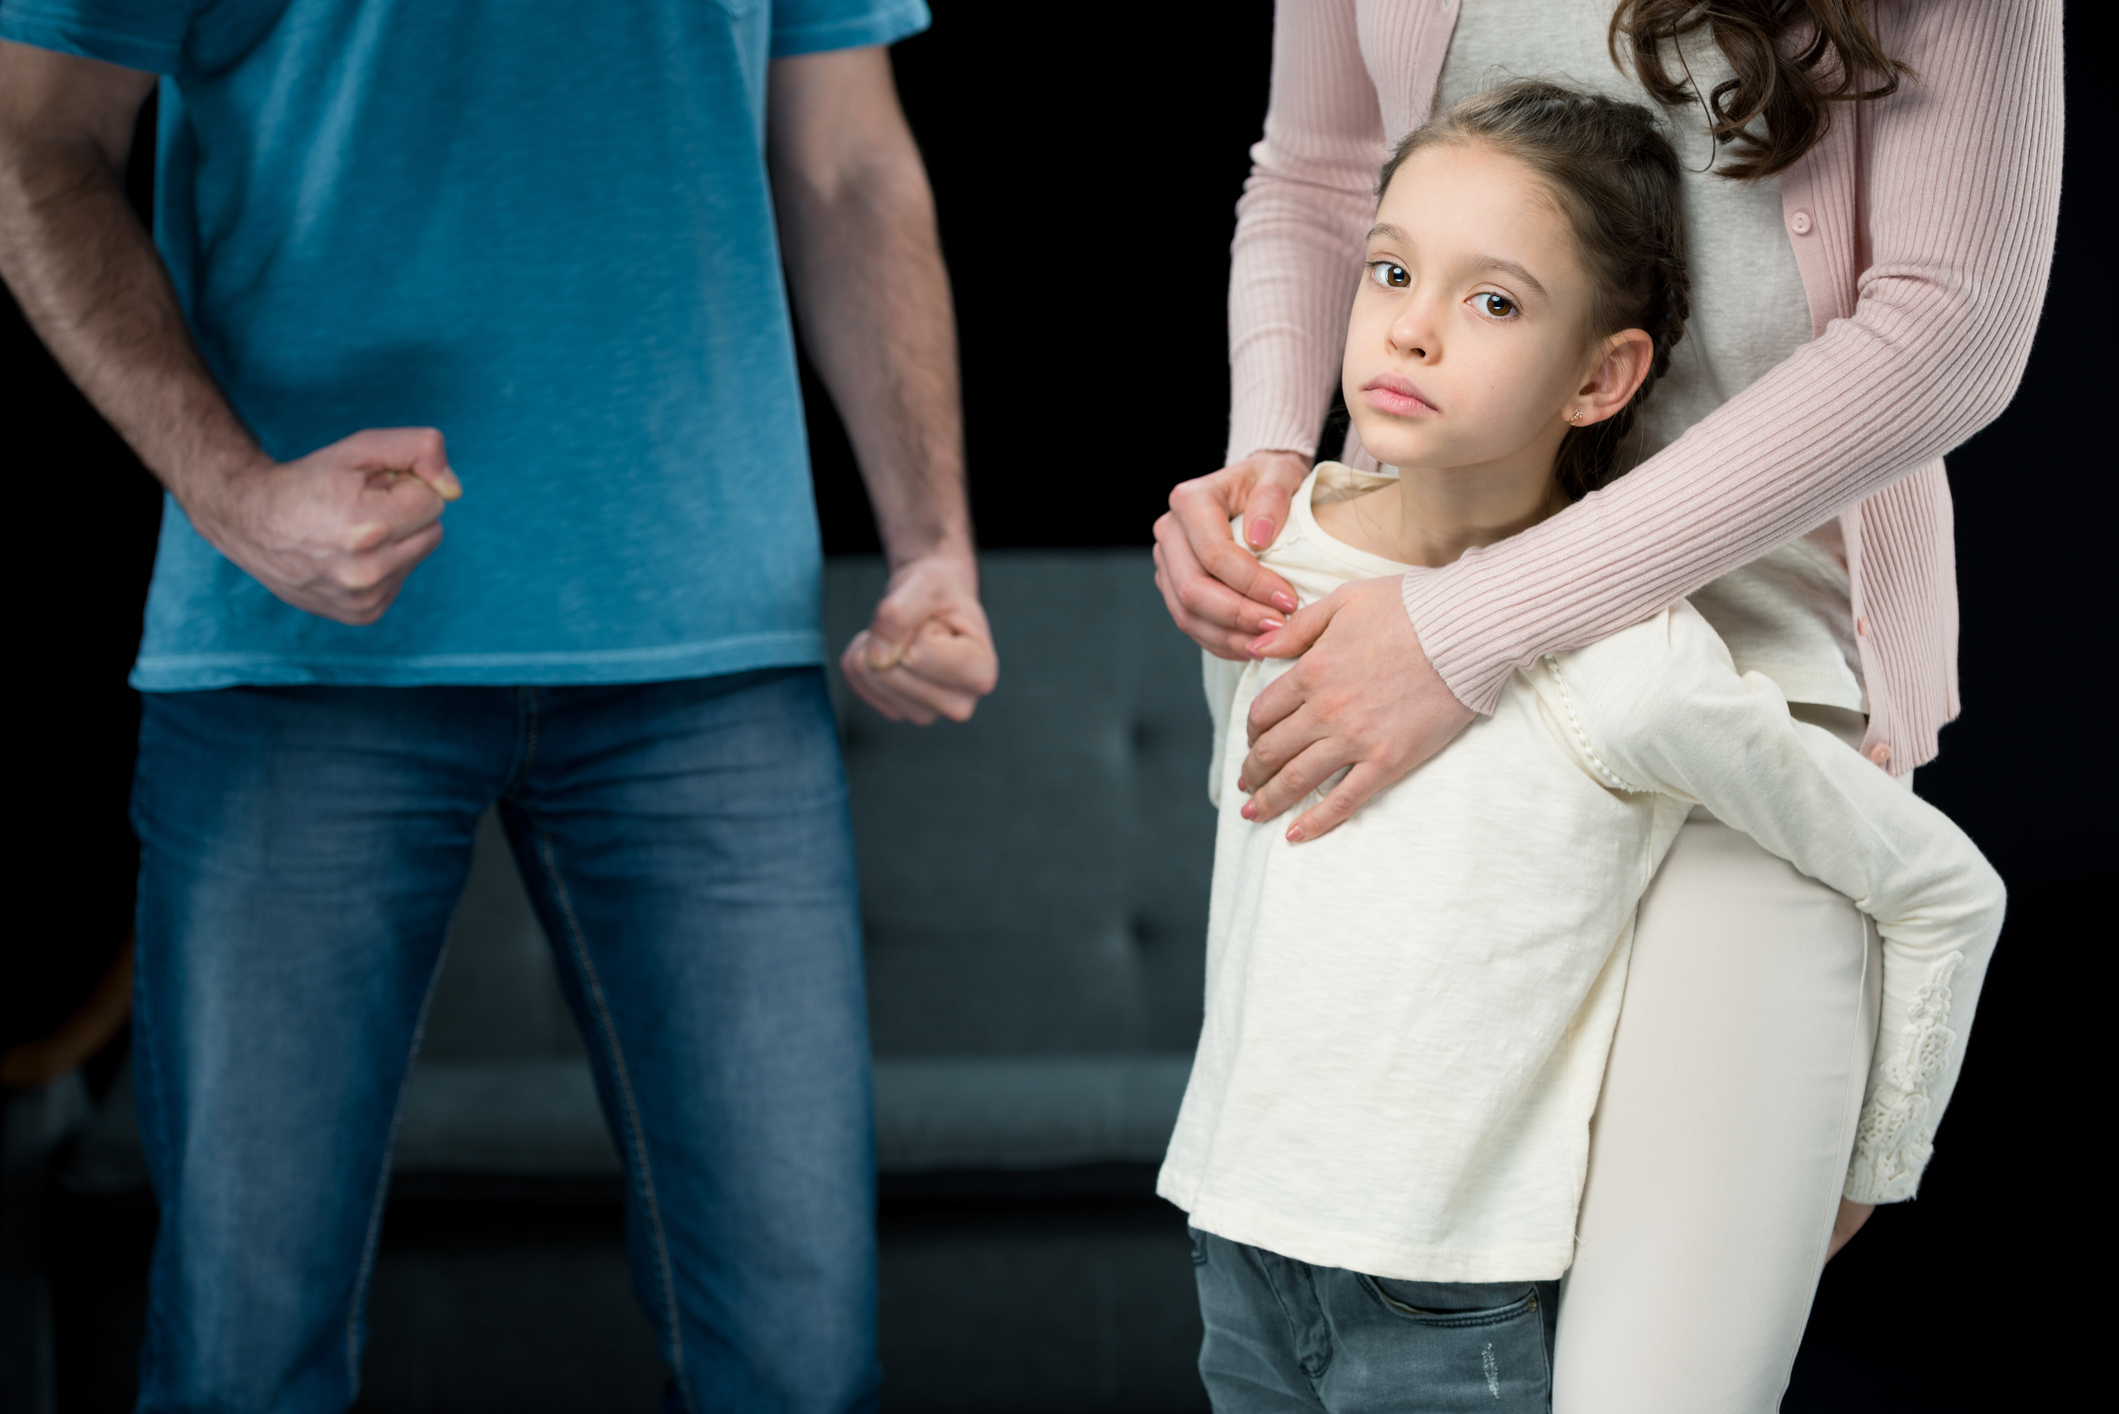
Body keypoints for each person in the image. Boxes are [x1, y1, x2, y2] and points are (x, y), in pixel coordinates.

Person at [0, 0, 995, 1408]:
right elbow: (32, 139)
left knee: (800, 1365)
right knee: (240, 1361)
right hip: (295, 658)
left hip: (709, 663)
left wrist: (932, 547)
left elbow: (848, 160)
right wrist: (238, 498)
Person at [1153, 2, 2059, 1405]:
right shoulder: (1324, 585)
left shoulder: (1663, 688)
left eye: (1489, 302)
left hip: (1754, 670)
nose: (1419, 324)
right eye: (1403, 281)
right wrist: (1268, 474)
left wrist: (1478, 625)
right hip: (1412, 619)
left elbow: (1954, 322)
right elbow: (1321, 169)